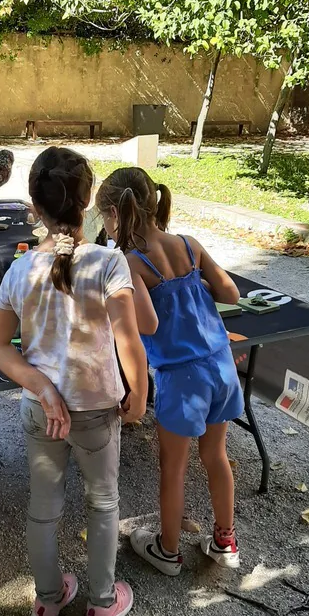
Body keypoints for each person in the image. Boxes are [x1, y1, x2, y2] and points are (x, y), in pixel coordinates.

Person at [0, 147, 156, 616]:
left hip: (41, 412)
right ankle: (103, 604)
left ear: (34, 207)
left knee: (43, 507)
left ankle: (47, 601)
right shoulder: (108, 263)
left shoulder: (20, 270)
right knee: (103, 502)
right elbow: (130, 337)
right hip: (97, 410)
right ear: (87, 203)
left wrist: (41, 384)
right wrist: (138, 391)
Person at [96, 167, 244, 575]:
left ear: (113, 214)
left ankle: (168, 550)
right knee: (216, 455)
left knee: (173, 468)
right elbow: (230, 293)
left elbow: (147, 325)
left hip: (182, 379)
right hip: (220, 366)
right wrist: (190, 290)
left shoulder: (131, 261)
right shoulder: (189, 244)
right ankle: (224, 540)